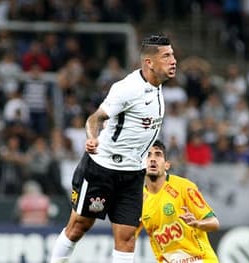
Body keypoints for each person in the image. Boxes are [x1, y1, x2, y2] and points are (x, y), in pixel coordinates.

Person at [48, 34, 177, 263]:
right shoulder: (127, 88)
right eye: (166, 56)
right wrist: (91, 138)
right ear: (149, 62)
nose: (173, 60)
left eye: (173, 55)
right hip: (102, 168)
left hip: (133, 174)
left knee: (127, 237)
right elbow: (94, 118)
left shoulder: (158, 88)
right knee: (79, 226)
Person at [138, 140, 220, 262]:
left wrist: (197, 223)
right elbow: (127, 236)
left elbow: (214, 223)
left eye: (158, 154)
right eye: (148, 155)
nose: (152, 159)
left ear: (167, 165)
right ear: (140, 164)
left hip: (199, 259)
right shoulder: (139, 199)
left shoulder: (184, 187)